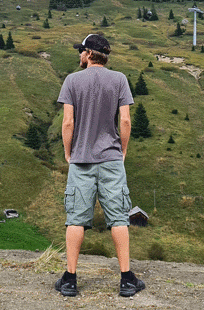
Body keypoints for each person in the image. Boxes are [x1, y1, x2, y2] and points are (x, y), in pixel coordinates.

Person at [54, 33, 145, 297]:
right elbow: (125, 121)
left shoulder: (72, 81)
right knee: (118, 219)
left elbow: (68, 123)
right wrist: (122, 151)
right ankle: (127, 280)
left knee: (76, 220)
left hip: (81, 160)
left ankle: (70, 280)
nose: (79, 55)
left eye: (81, 51)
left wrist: (68, 152)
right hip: (111, 159)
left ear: (90, 54)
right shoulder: (119, 80)